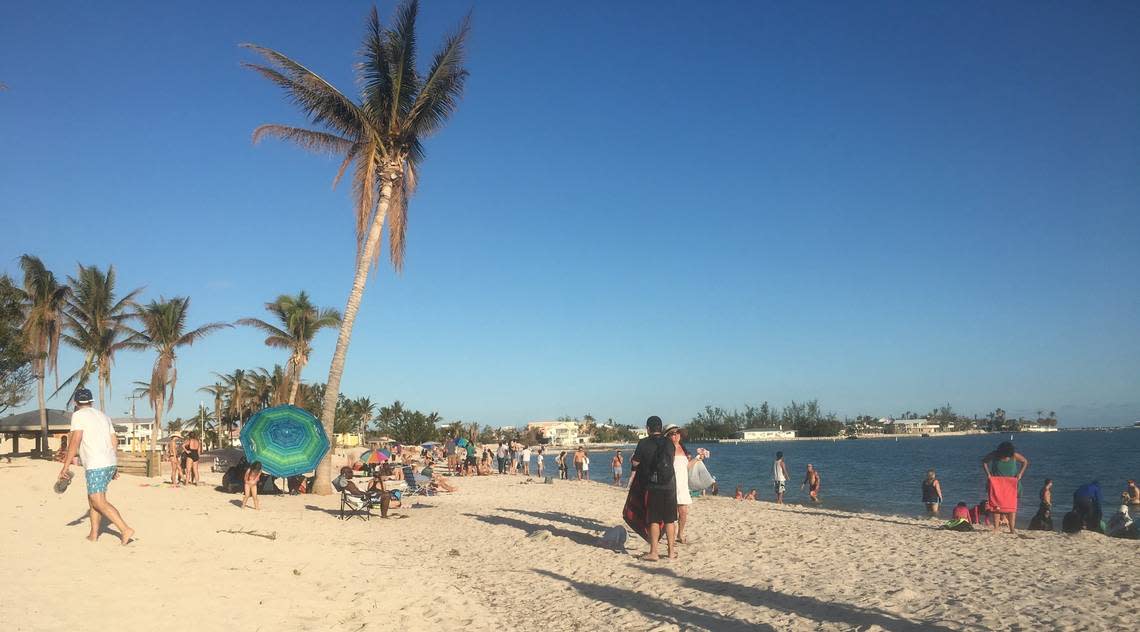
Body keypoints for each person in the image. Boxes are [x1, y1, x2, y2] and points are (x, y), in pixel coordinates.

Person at [57, 388, 134, 545]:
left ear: (75, 402)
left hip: (96, 463)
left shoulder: (78, 415)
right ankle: (93, 534)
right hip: (108, 462)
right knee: (93, 499)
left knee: (97, 501)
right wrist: (113, 463)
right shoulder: (103, 416)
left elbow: (75, 440)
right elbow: (114, 440)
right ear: (91, 401)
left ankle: (125, 529)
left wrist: (66, 466)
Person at [625, 415, 677, 561]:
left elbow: (635, 463)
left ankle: (654, 552)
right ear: (661, 428)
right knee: (670, 520)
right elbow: (671, 461)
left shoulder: (643, 443)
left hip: (653, 485)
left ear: (648, 428)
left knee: (654, 519)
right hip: (670, 484)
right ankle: (671, 552)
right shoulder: (669, 442)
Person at [981, 441, 1028, 534]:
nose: (1006, 457)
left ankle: (1012, 529)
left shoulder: (1014, 455)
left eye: (1007, 456)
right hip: (996, 484)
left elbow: (1025, 462)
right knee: (996, 506)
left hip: (1011, 485)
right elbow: (984, 461)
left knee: (1011, 507)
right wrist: (988, 475)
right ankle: (996, 528)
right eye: (1004, 455)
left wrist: (1020, 474)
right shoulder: (994, 455)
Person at [665, 425, 694, 544]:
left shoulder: (683, 448)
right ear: (668, 436)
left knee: (683, 512)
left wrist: (698, 459)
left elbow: (686, 467)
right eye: (672, 433)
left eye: (677, 433)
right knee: (670, 514)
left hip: (682, 485)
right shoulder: (666, 449)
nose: (676, 435)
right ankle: (670, 536)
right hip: (670, 484)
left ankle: (680, 534)